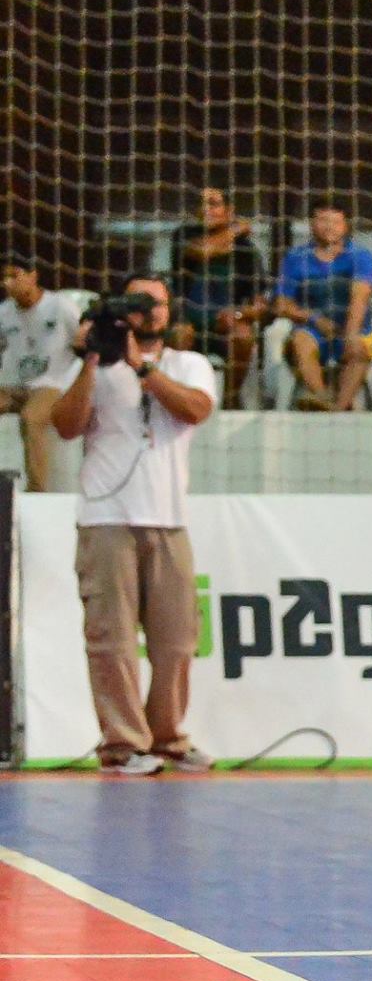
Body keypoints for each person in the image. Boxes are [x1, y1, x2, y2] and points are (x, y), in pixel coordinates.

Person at [48, 274, 216, 775]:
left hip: (168, 518)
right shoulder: (91, 364)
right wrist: (92, 359)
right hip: (106, 517)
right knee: (112, 639)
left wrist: (143, 369)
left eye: (159, 303)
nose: (152, 311)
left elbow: (195, 410)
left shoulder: (189, 364)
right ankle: (123, 743)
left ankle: (168, 737)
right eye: (141, 303)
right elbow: (64, 425)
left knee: (177, 639)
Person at [272, 200, 372, 411]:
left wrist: (350, 333)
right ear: (311, 223)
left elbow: (360, 296)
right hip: (312, 331)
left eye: (336, 222)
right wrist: (314, 319)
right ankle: (320, 396)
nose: (329, 227)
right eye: (322, 220)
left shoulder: (360, 256)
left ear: (346, 225)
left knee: (358, 349)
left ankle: (337, 410)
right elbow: (281, 304)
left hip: (353, 329)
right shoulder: (296, 258)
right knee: (301, 340)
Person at [172, 187, 268, 405]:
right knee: (179, 333)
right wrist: (235, 230)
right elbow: (202, 251)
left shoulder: (246, 251)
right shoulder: (184, 235)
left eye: (213, 204)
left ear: (229, 210)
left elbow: (260, 304)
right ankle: (179, 398)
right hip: (189, 319)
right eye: (202, 204)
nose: (205, 209)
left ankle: (230, 399)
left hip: (223, 326)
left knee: (243, 335)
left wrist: (238, 313)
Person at [0, 257, 81, 491]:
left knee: (32, 417)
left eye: (14, 276)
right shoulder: (4, 313)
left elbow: (85, 341)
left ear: (33, 276)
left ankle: (37, 489)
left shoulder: (60, 306)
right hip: (18, 386)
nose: (7, 283)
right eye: (4, 278)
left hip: (55, 384)